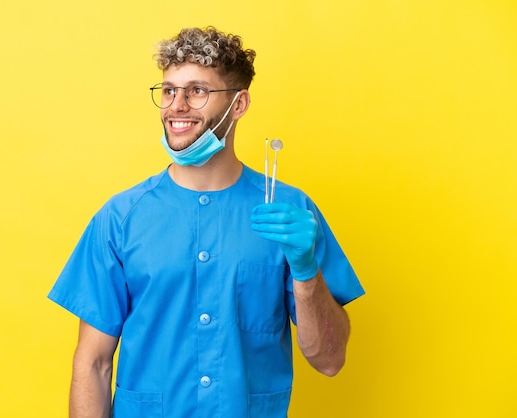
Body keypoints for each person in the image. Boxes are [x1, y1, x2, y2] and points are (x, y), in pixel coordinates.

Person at [48, 26, 365, 418]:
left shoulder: (289, 211)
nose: (177, 105)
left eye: (197, 91)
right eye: (168, 91)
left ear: (238, 104)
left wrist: (306, 272)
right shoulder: (120, 218)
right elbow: (92, 363)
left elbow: (330, 360)